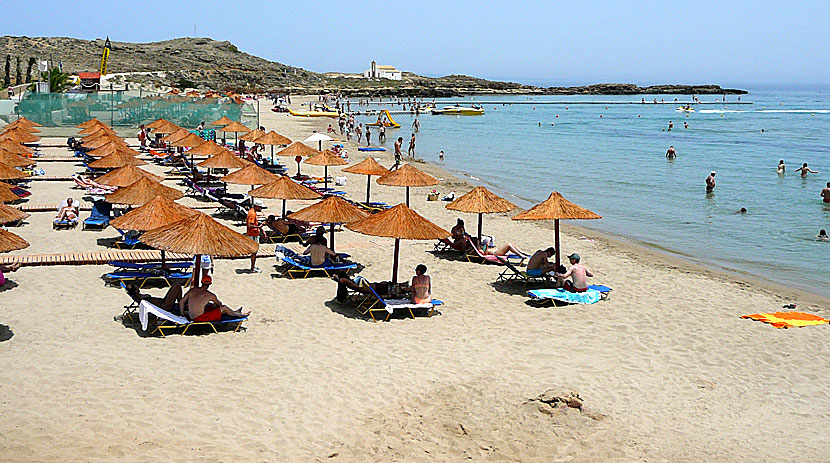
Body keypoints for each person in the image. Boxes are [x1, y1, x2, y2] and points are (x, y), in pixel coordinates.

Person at [180, 275, 250, 321]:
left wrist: (183, 314)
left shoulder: (192, 290)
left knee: (212, 306)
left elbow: (181, 302)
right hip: (199, 318)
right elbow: (220, 304)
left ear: (202, 282)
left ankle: (235, 312)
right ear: (210, 284)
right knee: (224, 308)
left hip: (190, 316)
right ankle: (239, 315)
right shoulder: (210, 295)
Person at [246, 199, 264, 273]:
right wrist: (258, 227)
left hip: (253, 233)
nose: (261, 209)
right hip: (253, 234)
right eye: (260, 207)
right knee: (254, 252)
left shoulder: (252, 212)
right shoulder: (252, 214)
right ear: (256, 206)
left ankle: (253, 267)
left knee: (254, 252)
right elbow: (250, 225)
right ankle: (252, 268)